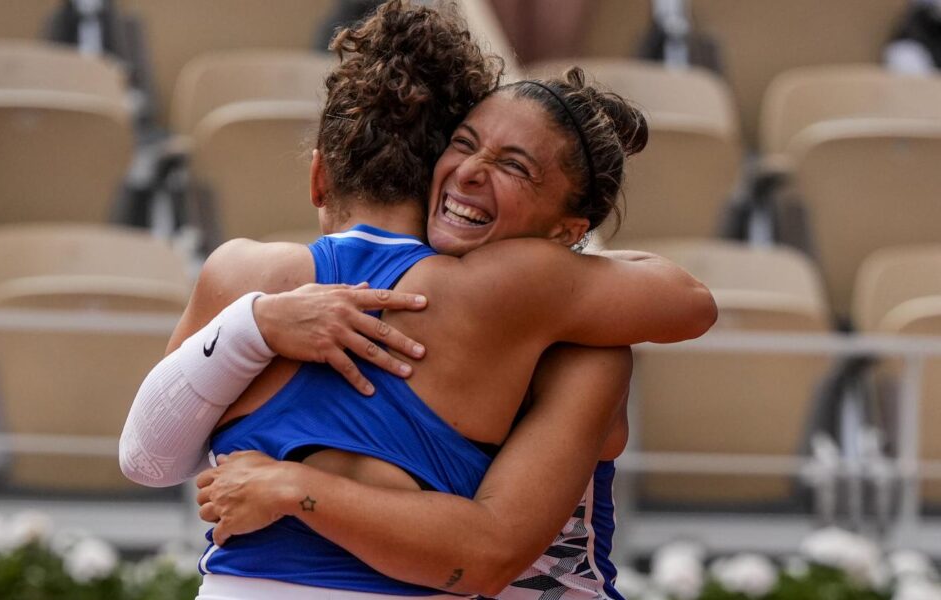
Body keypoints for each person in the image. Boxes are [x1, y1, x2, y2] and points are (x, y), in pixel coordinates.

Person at [119, 1, 716, 597]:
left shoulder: (566, 323)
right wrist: (259, 325)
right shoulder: (523, 294)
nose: (471, 172)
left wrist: (288, 484)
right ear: (432, 167)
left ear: (319, 179)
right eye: (463, 144)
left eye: (513, 165)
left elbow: (489, 552)